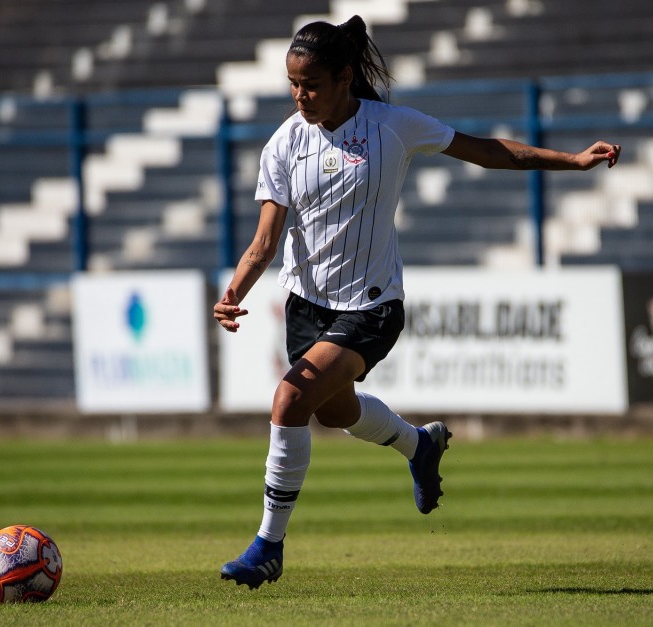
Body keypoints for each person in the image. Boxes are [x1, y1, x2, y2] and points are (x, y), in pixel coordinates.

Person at [213, 15, 621, 589]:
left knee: (289, 399)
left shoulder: (394, 126)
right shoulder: (283, 143)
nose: (299, 95)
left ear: (344, 77)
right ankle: (418, 443)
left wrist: (572, 161)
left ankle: (268, 547)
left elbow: (489, 151)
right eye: (292, 84)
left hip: (372, 304)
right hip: (307, 305)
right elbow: (264, 242)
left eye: (310, 84)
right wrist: (232, 294)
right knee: (331, 411)